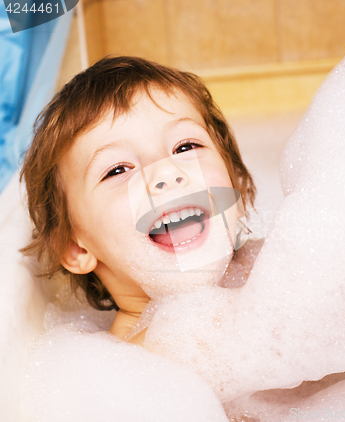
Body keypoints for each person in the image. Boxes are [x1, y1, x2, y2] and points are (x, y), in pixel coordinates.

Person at [20, 55, 258, 345]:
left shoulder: (280, 269)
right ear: (75, 249)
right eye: (118, 170)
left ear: (238, 188)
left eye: (185, 146)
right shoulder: (136, 362)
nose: (167, 172)